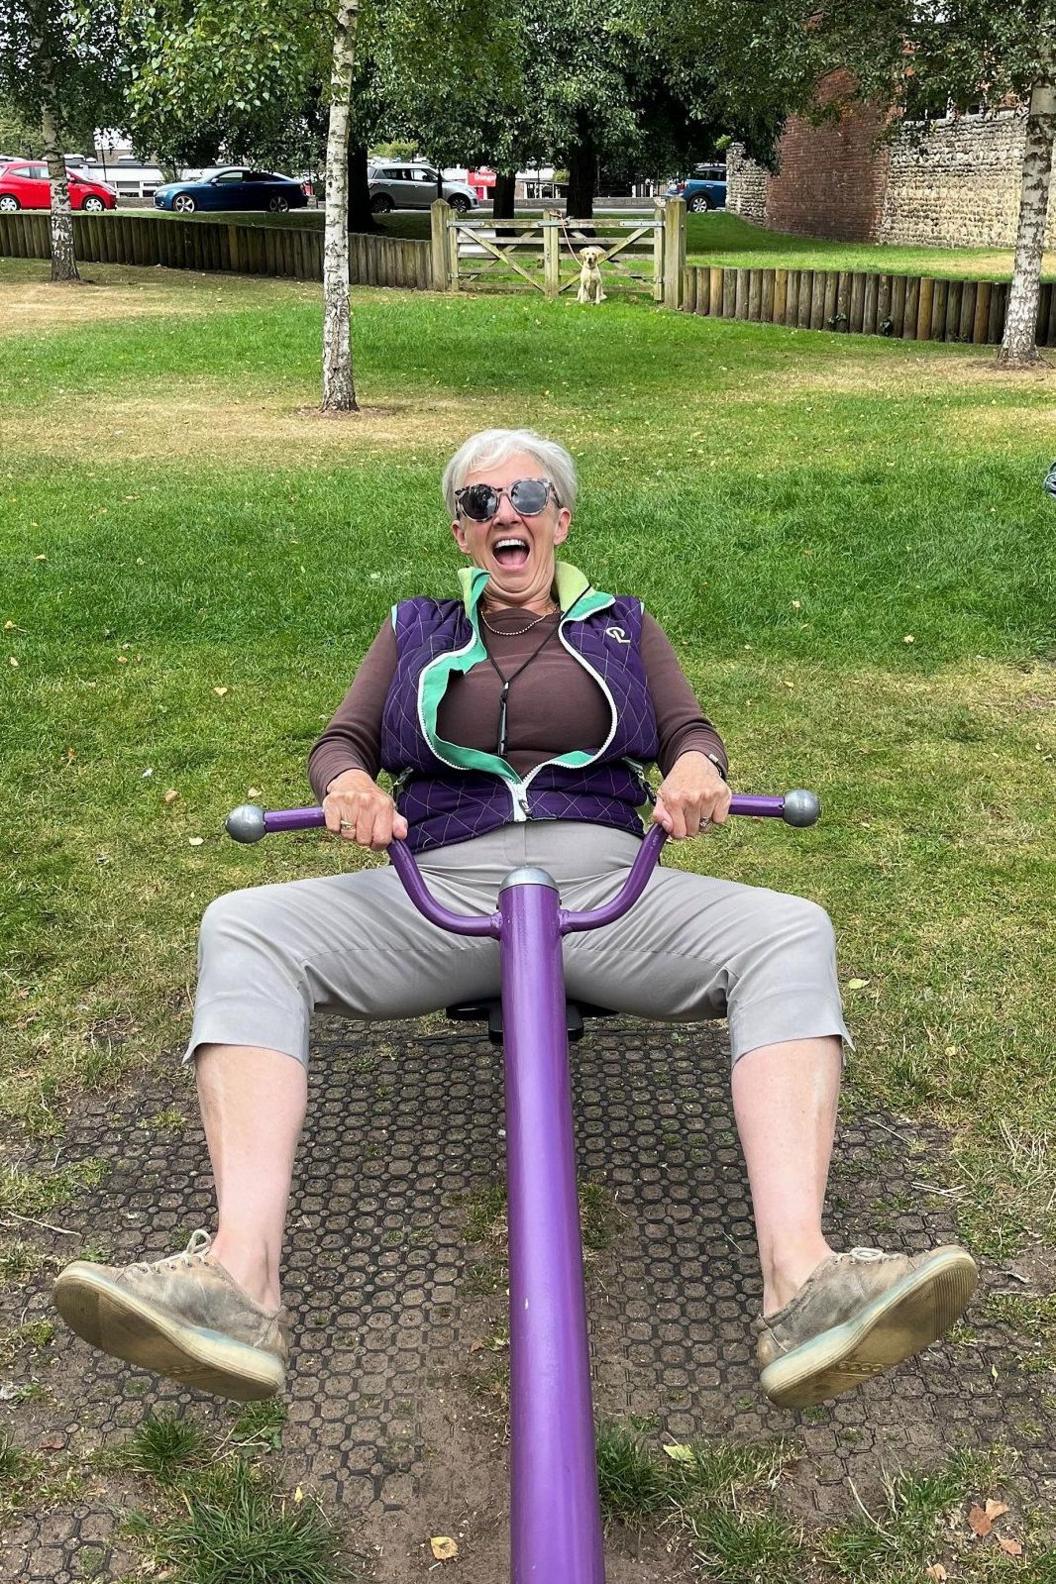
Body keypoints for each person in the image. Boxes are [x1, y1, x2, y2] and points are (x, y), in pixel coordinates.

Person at [53, 427, 977, 1409]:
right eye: (478, 502)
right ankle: (239, 1279)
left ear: (561, 518)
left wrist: (700, 770)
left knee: (792, 930)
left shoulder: (622, 624)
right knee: (242, 925)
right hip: (440, 885)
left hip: (608, 887)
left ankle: (802, 1284)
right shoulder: (414, 628)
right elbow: (340, 742)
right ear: (462, 534)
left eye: (527, 494)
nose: (506, 513)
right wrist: (353, 787)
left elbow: (688, 732)